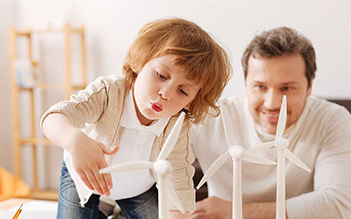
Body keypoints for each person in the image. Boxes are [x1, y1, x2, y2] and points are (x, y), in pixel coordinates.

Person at [41, 18, 231, 219]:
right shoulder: (108, 92)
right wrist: (74, 140)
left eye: (182, 91)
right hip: (85, 175)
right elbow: (55, 117)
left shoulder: (177, 124)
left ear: (191, 102)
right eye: (161, 75)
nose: (165, 93)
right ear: (139, 62)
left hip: (137, 187)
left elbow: (178, 177)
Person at [189, 26, 351, 219]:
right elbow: (164, 171)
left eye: (286, 88)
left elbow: (339, 204)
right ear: (246, 83)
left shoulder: (332, 119)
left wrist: (236, 212)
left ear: (309, 86)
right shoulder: (209, 117)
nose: (272, 103)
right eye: (260, 87)